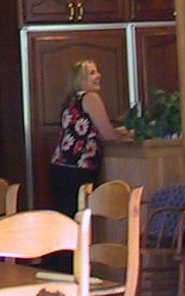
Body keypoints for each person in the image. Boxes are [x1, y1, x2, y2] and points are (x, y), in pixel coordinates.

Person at [49, 59, 132, 217]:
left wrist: (120, 131)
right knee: (80, 221)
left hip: (61, 167)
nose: (98, 76)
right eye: (92, 73)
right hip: (79, 169)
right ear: (80, 79)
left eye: (97, 71)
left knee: (66, 221)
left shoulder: (72, 100)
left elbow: (89, 130)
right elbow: (108, 135)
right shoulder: (90, 97)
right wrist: (129, 134)